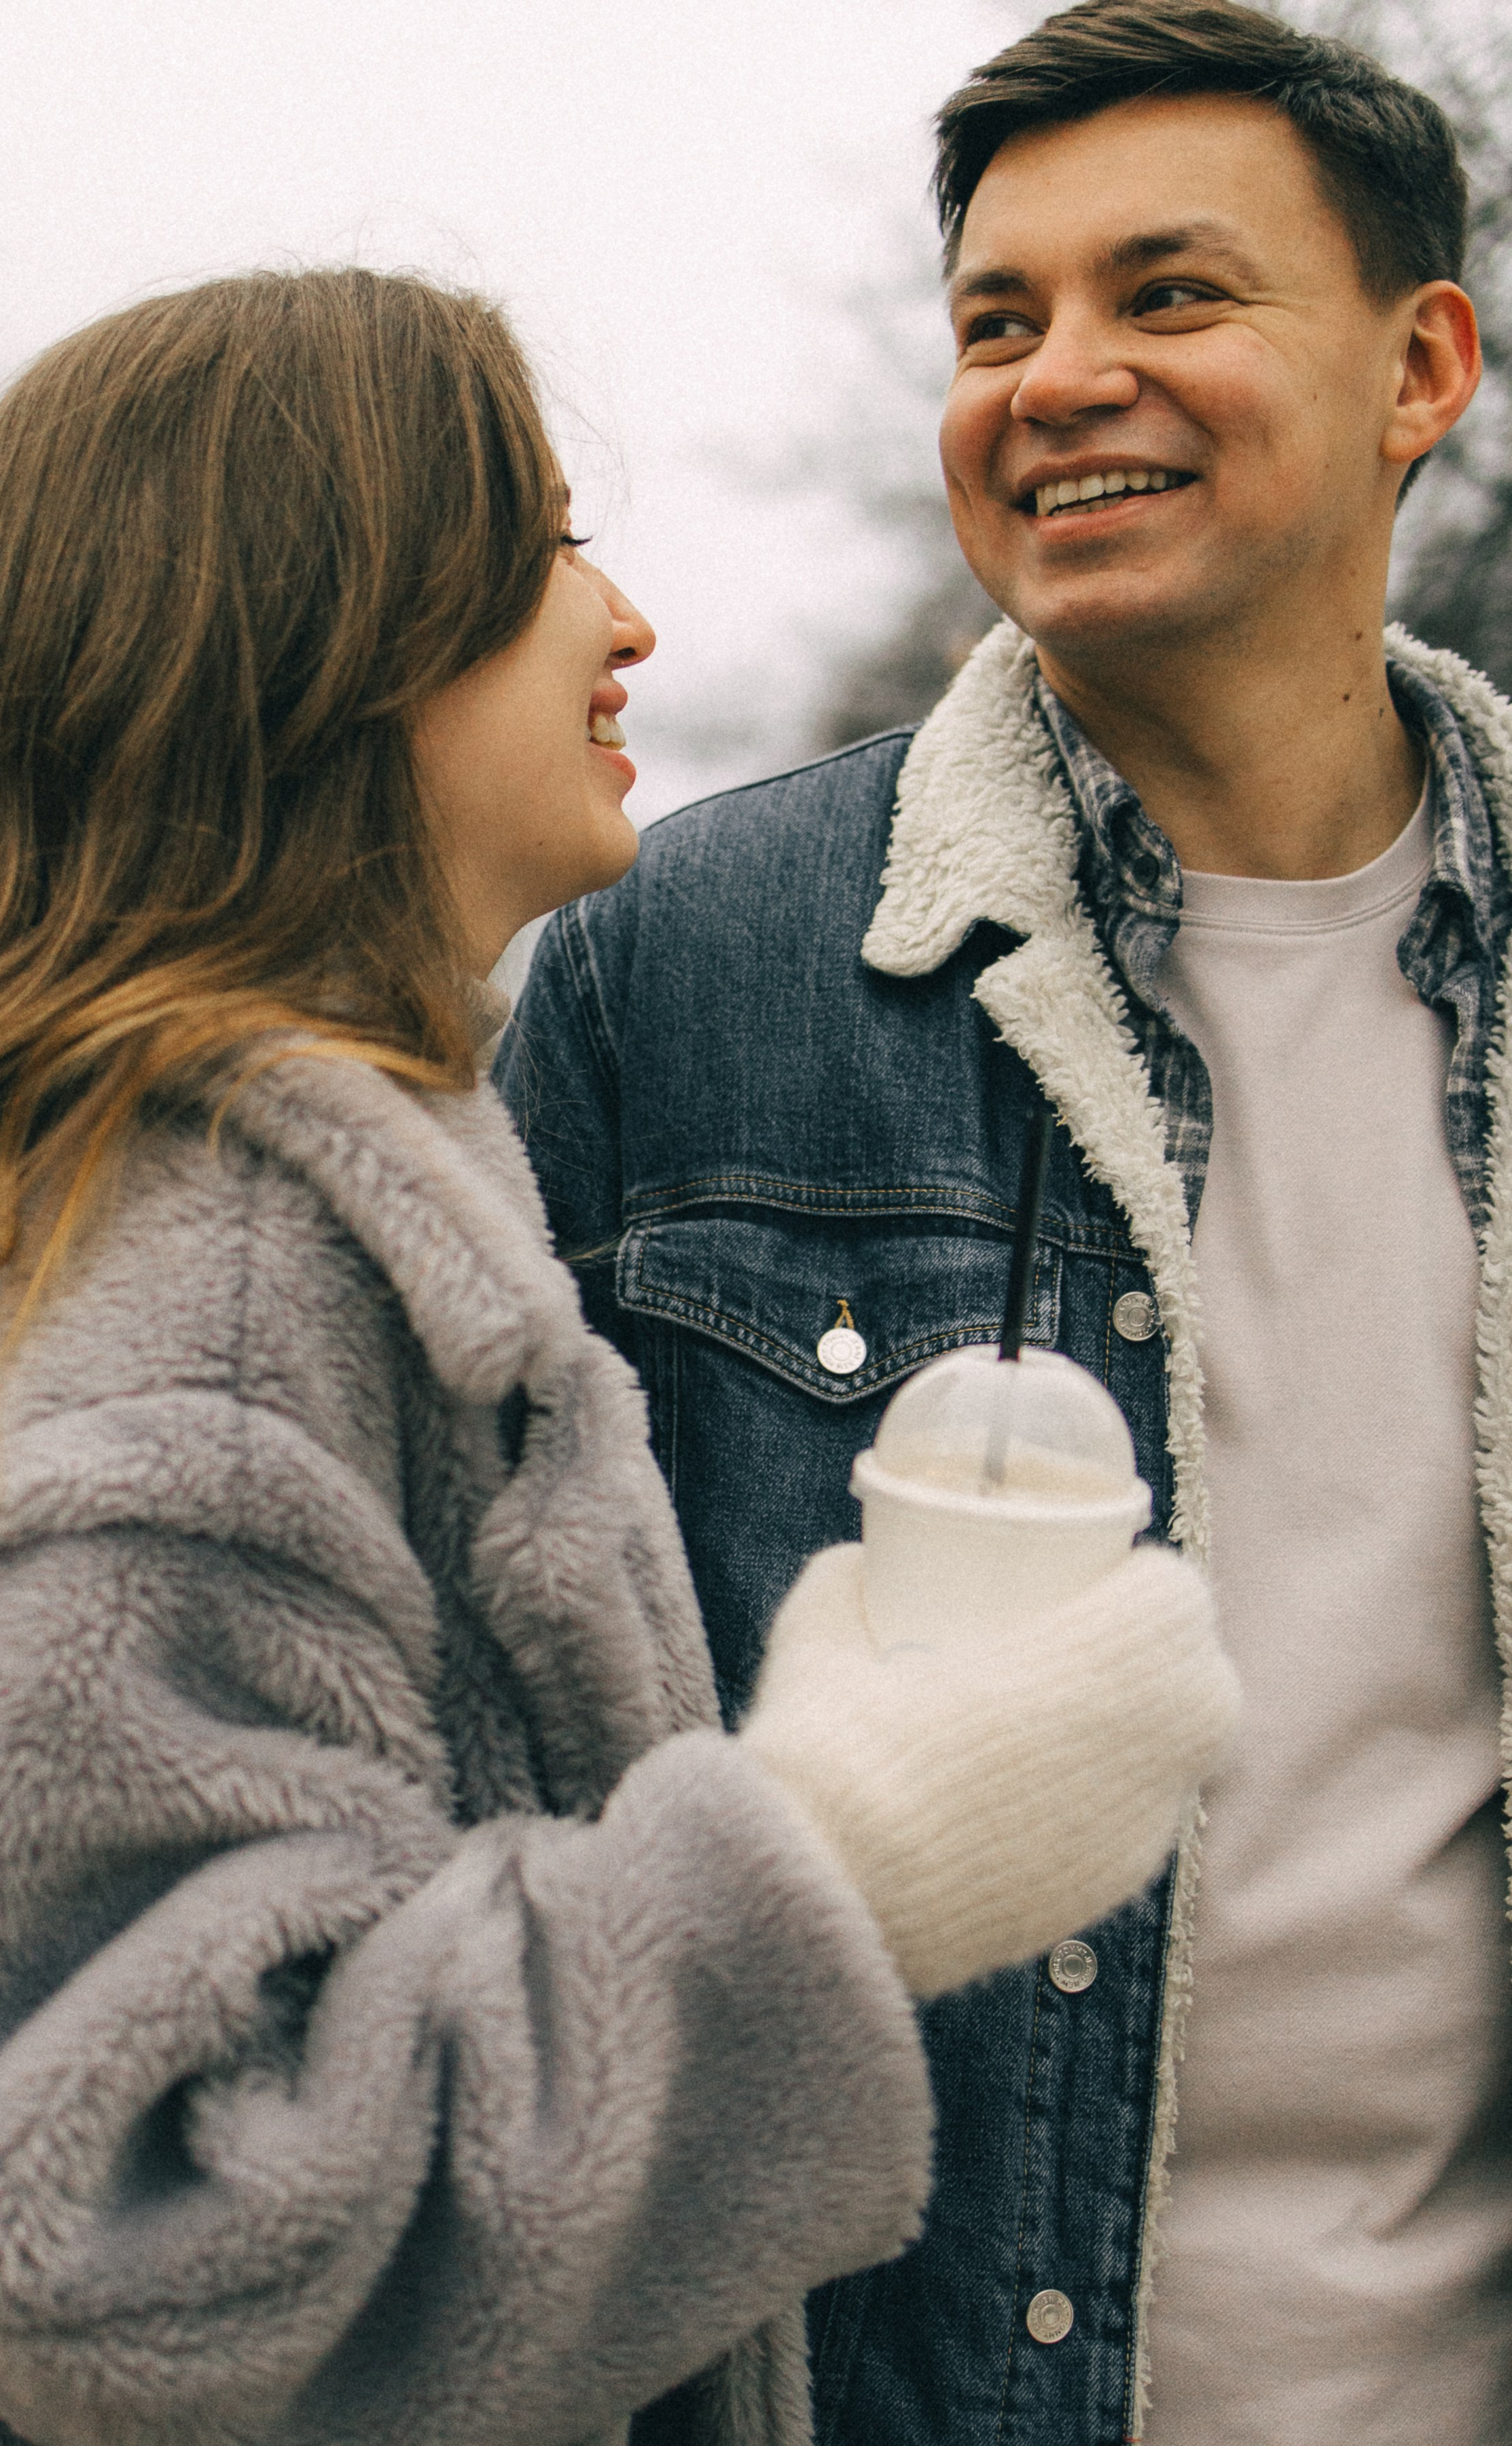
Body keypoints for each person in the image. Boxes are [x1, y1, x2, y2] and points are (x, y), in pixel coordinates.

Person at [0, 268, 1231, 2446]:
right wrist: (843, 1853)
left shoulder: (227, 1193)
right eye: (540, 547)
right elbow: (115, 2226)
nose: (625, 623)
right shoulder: (215, 1263)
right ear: (327, 632)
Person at [497, 2, 1511, 2439]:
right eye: (997, 320)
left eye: (1169, 297)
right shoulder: (686, 964)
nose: (1058, 379)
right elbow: (477, 1771)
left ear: (1420, 366)